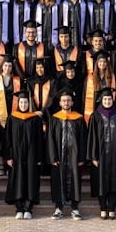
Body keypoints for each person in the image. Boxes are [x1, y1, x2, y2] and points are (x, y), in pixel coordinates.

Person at [2, 91, 42, 220]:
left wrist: (39, 157)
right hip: (16, 155)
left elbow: (40, 140)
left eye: (25, 102)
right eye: (21, 102)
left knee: (31, 180)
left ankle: (29, 208)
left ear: (29, 103)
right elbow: (7, 139)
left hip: (32, 155)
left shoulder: (35, 119)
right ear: (18, 103)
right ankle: (19, 208)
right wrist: (8, 156)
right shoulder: (12, 118)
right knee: (17, 180)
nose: (23, 104)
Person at [47, 89, 86, 220]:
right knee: (58, 181)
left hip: (74, 157)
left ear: (72, 102)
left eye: (68, 100)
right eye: (64, 100)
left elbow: (83, 139)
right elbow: (50, 139)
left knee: (75, 181)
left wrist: (81, 157)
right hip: (59, 156)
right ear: (60, 103)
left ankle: (75, 208)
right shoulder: (54, 118)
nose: (66, 102)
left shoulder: (79, 118)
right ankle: (58, 208)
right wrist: (52, 156)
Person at [87, 87, 116, 220]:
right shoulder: (96, 115)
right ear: (101, 100)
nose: (108, 101)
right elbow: (91, 137)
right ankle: (103, 208)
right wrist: (93, 156)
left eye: (109, 99)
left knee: (114, 181)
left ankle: (112, 208)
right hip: (101, 155)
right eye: (105, 99)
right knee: (101, 182)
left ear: (113, 99)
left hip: (115, 154)